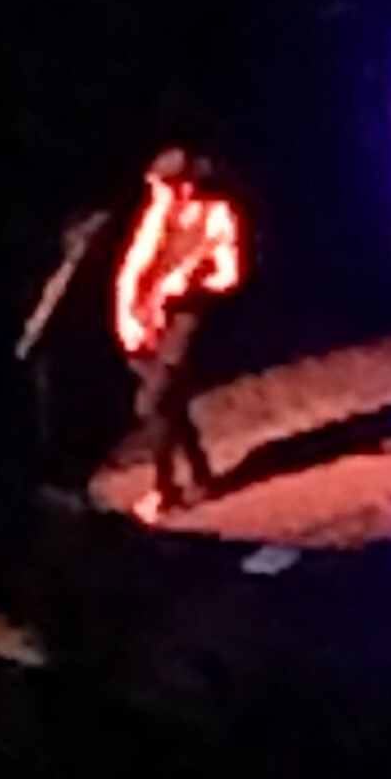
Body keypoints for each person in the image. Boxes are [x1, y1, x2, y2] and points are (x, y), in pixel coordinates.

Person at [113, 146, 247, 519]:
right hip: (149, 321)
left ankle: (164, 490)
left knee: (151, 403)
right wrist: (128, 318)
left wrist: (191, 281)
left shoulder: (217, 215)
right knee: (168, 406)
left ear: (185, 185)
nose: (157, 194)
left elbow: (229, 275)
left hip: (186, 318)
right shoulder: (157, 215)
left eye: (164, 187)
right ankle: (201, 476)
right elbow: (132, 270)